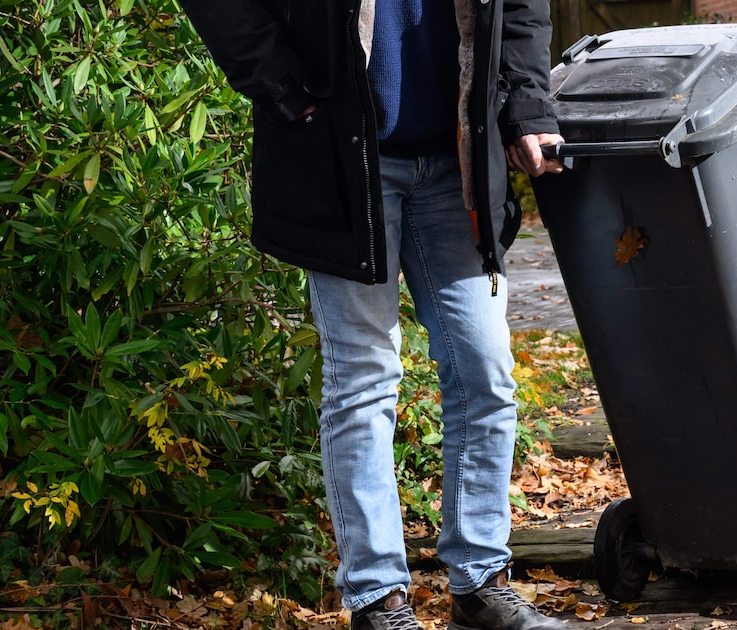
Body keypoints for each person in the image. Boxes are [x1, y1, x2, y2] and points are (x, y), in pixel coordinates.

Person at [176, 1, 566, 629]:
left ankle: (479, 586)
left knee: (486, 376)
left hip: (457, 159)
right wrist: (278, 82)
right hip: (341, 157)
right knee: (363, 382)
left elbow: (520, 8)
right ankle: (378, 598)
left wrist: (526, 105)